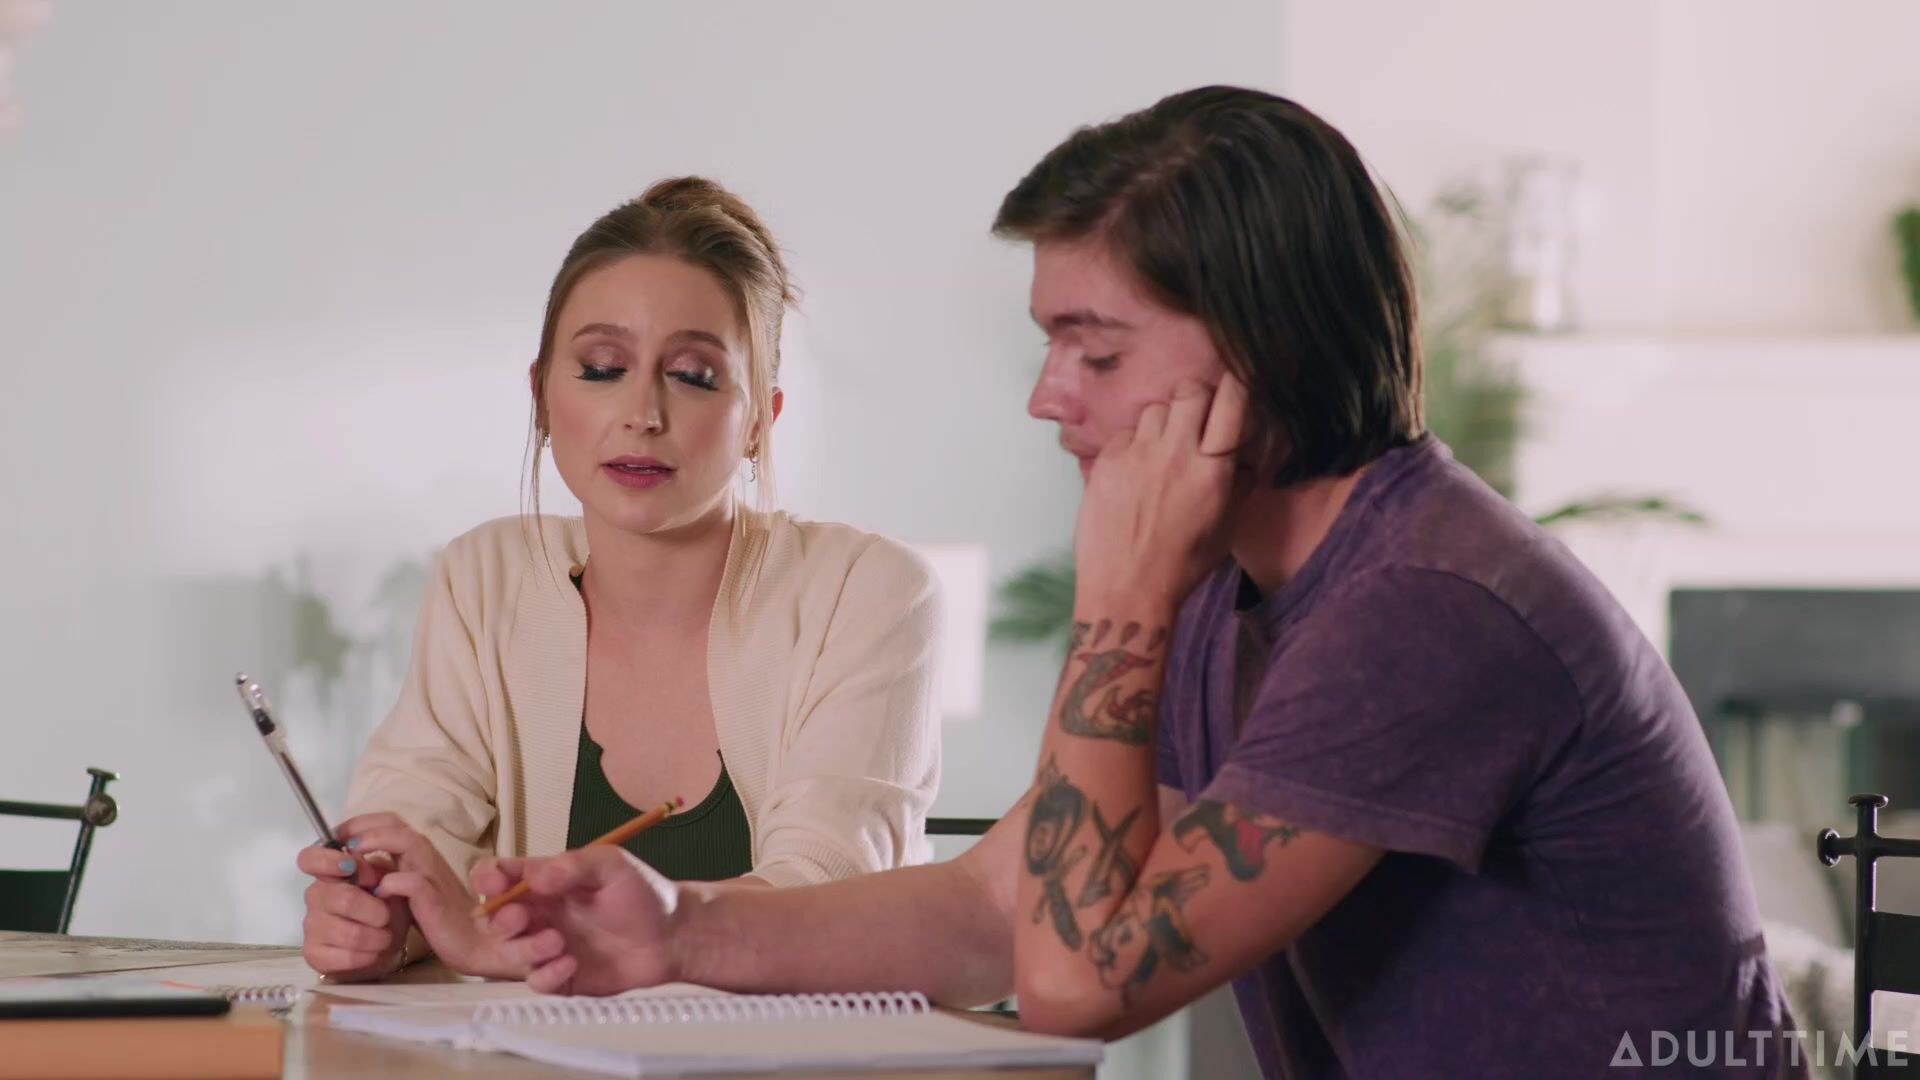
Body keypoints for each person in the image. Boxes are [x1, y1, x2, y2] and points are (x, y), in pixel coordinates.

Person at [430, 89, 1799, 1078]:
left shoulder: (1428, 606)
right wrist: (678, 930)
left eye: (1095, 349)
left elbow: (1079, 984)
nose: (1047, 397)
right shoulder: (1230, 583)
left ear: (1262, 351)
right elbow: (996, 906)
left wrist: (1122, 607)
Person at [294, 177, 944, 984]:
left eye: (695, 376)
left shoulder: (870, 589)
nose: (642, 413)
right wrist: (382, 914)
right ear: (541, 395)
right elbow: (415, 827)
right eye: (602, 367)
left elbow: (832, 886)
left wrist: (490, 936)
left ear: (759, 420)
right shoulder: (484, 578)